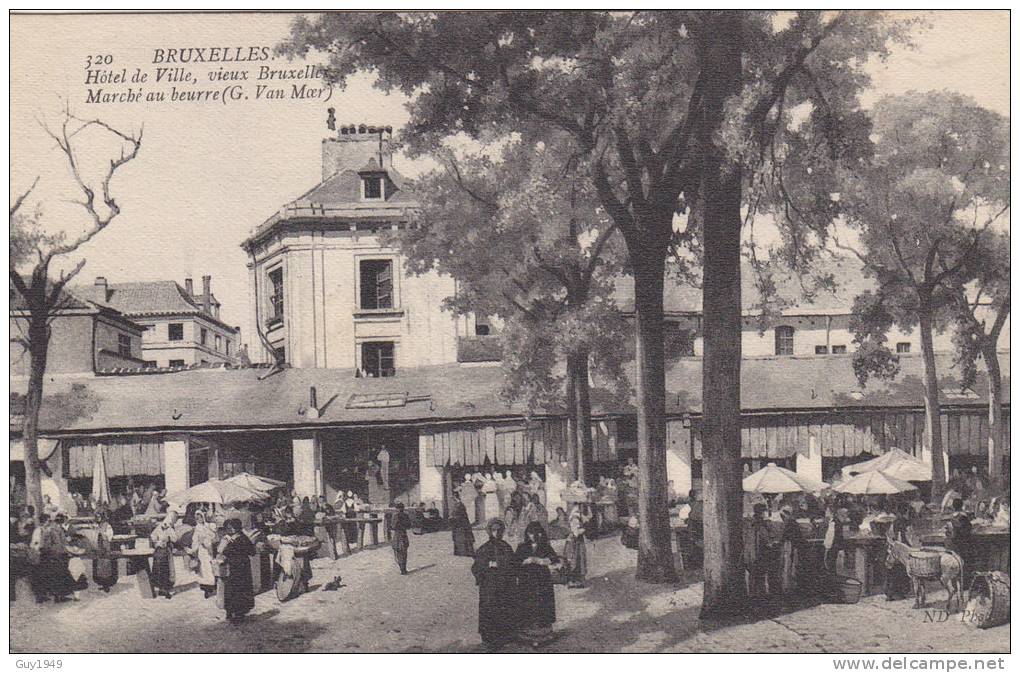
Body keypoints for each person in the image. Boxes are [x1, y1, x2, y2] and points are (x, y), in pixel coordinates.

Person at [471, 519, 517, 651]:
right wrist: (487, 565)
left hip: (504, 586)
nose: (496, 533)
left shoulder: (506, 547)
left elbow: (512, 565)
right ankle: (489, 638)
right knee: (489, 609)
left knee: (503, 608)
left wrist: (501, 565)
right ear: (490, 531)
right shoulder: (484, 548)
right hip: (489, 587)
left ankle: (503, 636)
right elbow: (475, 568)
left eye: (499, 530)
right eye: (494, 530)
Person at [513, 521, 561, 646]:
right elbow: (515, 563)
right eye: (530, 534)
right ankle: (527, 636)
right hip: (527, 582)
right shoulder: (522, 547)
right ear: (527, 534)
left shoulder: (545, 546)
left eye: (535, 533)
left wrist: (537, 560)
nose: (533, 536)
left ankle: (542, 636)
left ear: (540, 534)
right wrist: (525, 562)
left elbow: (554, 559)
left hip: (542, 582)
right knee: (528, 606)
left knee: (541, 606)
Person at [217, 518, 256, 622]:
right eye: (229, 528)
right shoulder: (236, 538)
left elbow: (224, 552)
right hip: (238, 568)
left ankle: (237, 613)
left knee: (237, 591)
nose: (230, 530)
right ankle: (232, 612)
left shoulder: (239, 539)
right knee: (235, 590)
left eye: (232, 528)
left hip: (239, 568)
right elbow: (220, 551)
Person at [883, 502, 912, 601]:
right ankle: (900, 593)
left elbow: (889, 536)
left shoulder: (894, 522)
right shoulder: (907, 522)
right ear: (906, 511)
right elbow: (909, 537)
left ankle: (890, 593)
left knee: (892, 570)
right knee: (903, 570)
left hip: (895, 548)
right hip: (904, 549)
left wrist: (892, 545)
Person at [743, 503, 773, 599]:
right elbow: (767, 542)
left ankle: (752, 596)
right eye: (765, 511)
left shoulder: (748, 523)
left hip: (749, 555)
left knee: (752, 577)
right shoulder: (761, 524)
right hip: (760, 555)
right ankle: (761, 598)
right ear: (762, 512)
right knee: (761, 578)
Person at [149, 511, 179, 599]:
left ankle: (164, 587)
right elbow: (153, 536)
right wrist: (158, 542)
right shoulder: (164, 527)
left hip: (165, 550)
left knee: (165, 569)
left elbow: (174, 539)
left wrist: (168, 538)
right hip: (161, 551)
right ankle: (163, 588)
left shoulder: (168, 528)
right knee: (163, 569)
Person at [190, 510, 218, 599]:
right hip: (202, 551)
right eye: (197, 518)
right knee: (203, 568)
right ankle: (206, 588)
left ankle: (212, 586)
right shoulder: (196, 528)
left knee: (210, 567)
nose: (199, 520)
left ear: (203, 517)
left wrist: (208, 538)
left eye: (200, 517)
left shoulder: (208, 526)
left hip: (209, 550)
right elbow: (194, 540)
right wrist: (198, 544)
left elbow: (213, 536)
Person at [92, 511, 118, 593]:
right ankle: (101, 583)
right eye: (96, 517)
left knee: (106, 565)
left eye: (99, 516)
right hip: (98, 547)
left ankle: (107, 584)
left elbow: (110, 536)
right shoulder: (96, 525)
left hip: (105, 547)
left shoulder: (107, 525)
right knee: (99, 566)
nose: (98, 518)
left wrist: (102, 534)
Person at [561, 511, 588, 588]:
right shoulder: (575, 518)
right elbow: (576, 532)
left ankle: (578, 580)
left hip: (578, 542)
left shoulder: (578, 516)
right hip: (574, 542)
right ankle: (573, 581)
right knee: (574, 560)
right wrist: (583, 529)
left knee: (580, 559)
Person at [450, 492, 475, 556]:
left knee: (462, 537)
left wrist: (453, 518)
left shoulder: (459, 505)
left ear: (455, 498)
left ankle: (463, 552)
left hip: (460, 524)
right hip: (461, 523)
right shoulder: (460, 505)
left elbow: (459, 515)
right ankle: (462, 551)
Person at [390, 502, 411, 575]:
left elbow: (393, 526)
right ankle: (404, 569)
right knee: (404, 552)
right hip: (404, 534)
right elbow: (409, 525)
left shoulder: (395, 516)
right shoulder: (406, 515)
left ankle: (402, 569)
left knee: (399, 552)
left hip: (398, 535)